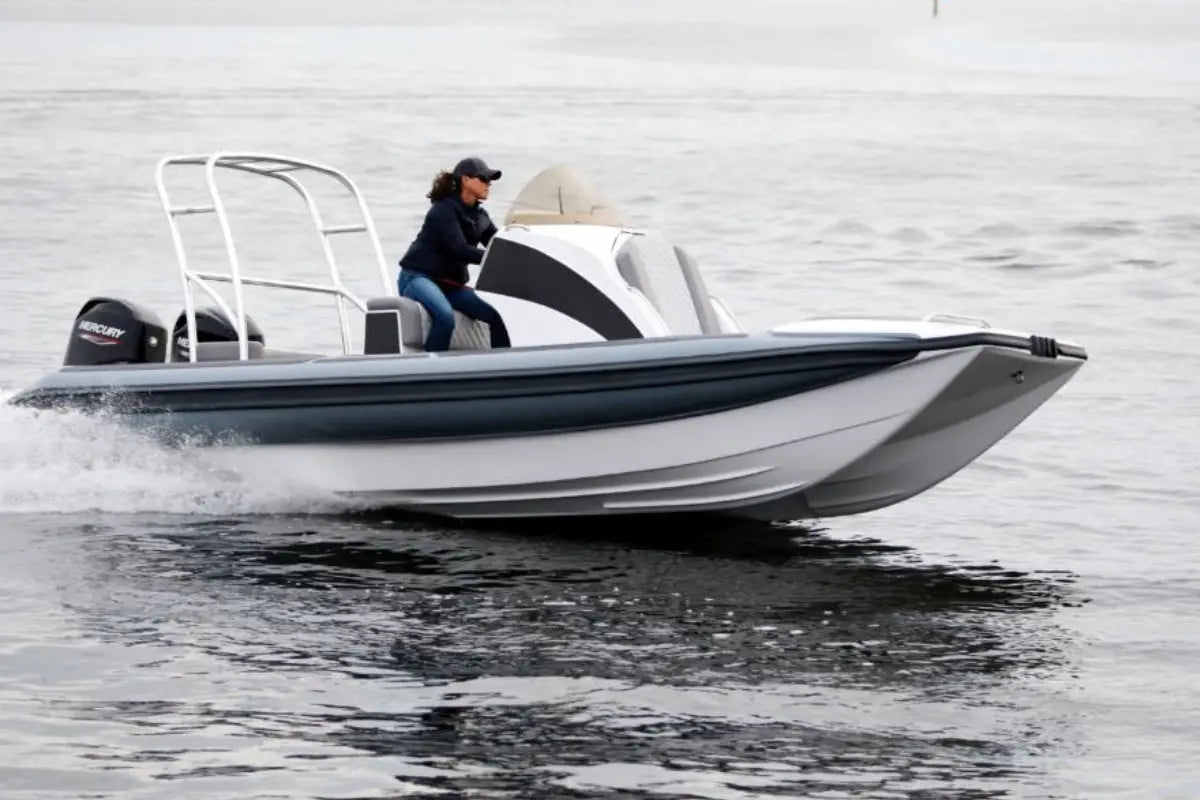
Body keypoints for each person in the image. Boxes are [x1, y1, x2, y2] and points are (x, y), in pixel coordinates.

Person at [396, 157, 512, 352]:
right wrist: (493, 258)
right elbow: (458, 249)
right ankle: (429, 372)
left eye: (490, 181)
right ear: (466, 180)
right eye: (483, 179)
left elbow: (498, 245)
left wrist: (518, 248)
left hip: (449, 286)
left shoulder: (480, 217)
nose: (488, 185)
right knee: (445, 316)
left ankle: (501, 367)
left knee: (497, 316)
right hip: (417, 277)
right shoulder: (443, 211)